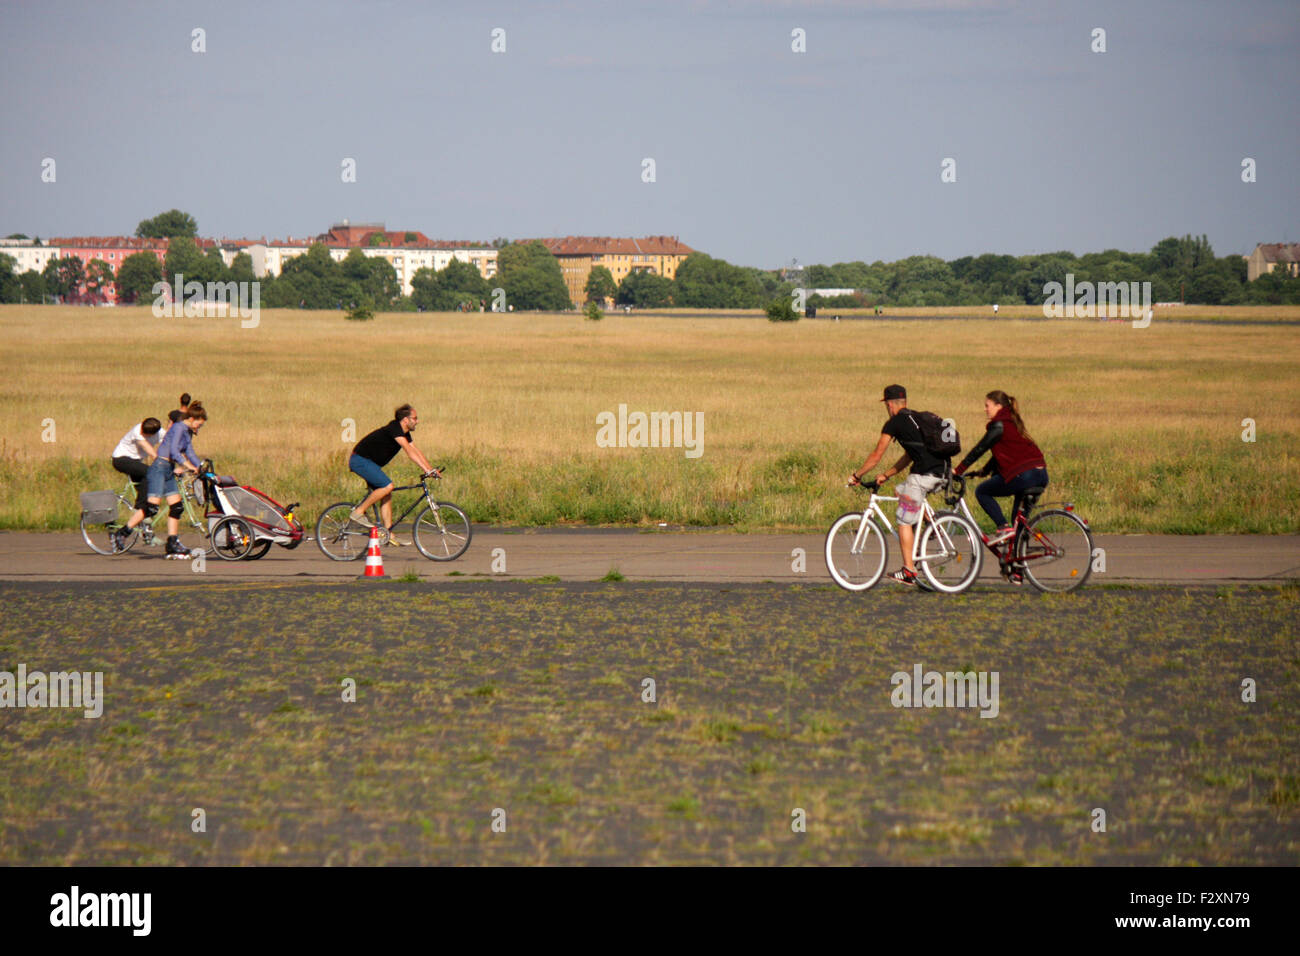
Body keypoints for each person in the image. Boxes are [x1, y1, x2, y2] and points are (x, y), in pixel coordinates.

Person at [848, 384, 948, 587]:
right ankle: (932, 524)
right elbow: (910, 455)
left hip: (923, 476)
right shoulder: (915, 418)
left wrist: (856, 475)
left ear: (890, 404)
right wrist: (887, 474)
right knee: (900, 490)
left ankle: (909, 570)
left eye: (886, 404)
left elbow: (876, 455)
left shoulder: (894, 423)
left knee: (903, 518)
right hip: (942, 471)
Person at [953, 390, 1048, 584]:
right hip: (1040, 474)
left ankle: (1002, 527)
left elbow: (981, 448)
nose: (985, 409)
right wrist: (983, 472)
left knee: (983, 491)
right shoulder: (1011, 423)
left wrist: (958, 469)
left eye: (987, 405)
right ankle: (1017, 572)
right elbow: (1004, 452)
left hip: (1025, 475)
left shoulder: (999, 425)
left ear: (999, 406)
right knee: (1019, 524)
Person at [114, 402, 208, 558]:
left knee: (177, 507)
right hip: (159, 468)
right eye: (199, 424)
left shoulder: (187, 431)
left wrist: (199, 466)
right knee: (152, 507)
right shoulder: (179, 428)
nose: (199, 428)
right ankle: (123, 532)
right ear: (192, 418)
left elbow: (189, 451)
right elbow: (174, 451)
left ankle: (172, 543)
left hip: (169, 469)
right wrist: (187, 465)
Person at [348, 404, 439, 545]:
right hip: (359, 460)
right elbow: (409, 452)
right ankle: (358, 512)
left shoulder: (404, 432)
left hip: (369, 463)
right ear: (405, 420)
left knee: (386, 493)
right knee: (387, 486)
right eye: (415, 418)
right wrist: (426, 470)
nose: (417, 421)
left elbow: (416, 450)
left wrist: (430, 469)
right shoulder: (395, 429)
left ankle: (388, 534)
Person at [111, 417, 162, 521]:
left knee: (149, 490)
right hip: (121, 459)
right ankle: (139, 509)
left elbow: (169, 442)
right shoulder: (137, 431)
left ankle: (145, 527)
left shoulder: (160, 432)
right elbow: (150, 451)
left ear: (152, 434)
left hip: (136, 461)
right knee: (150, 472)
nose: (142, 433)